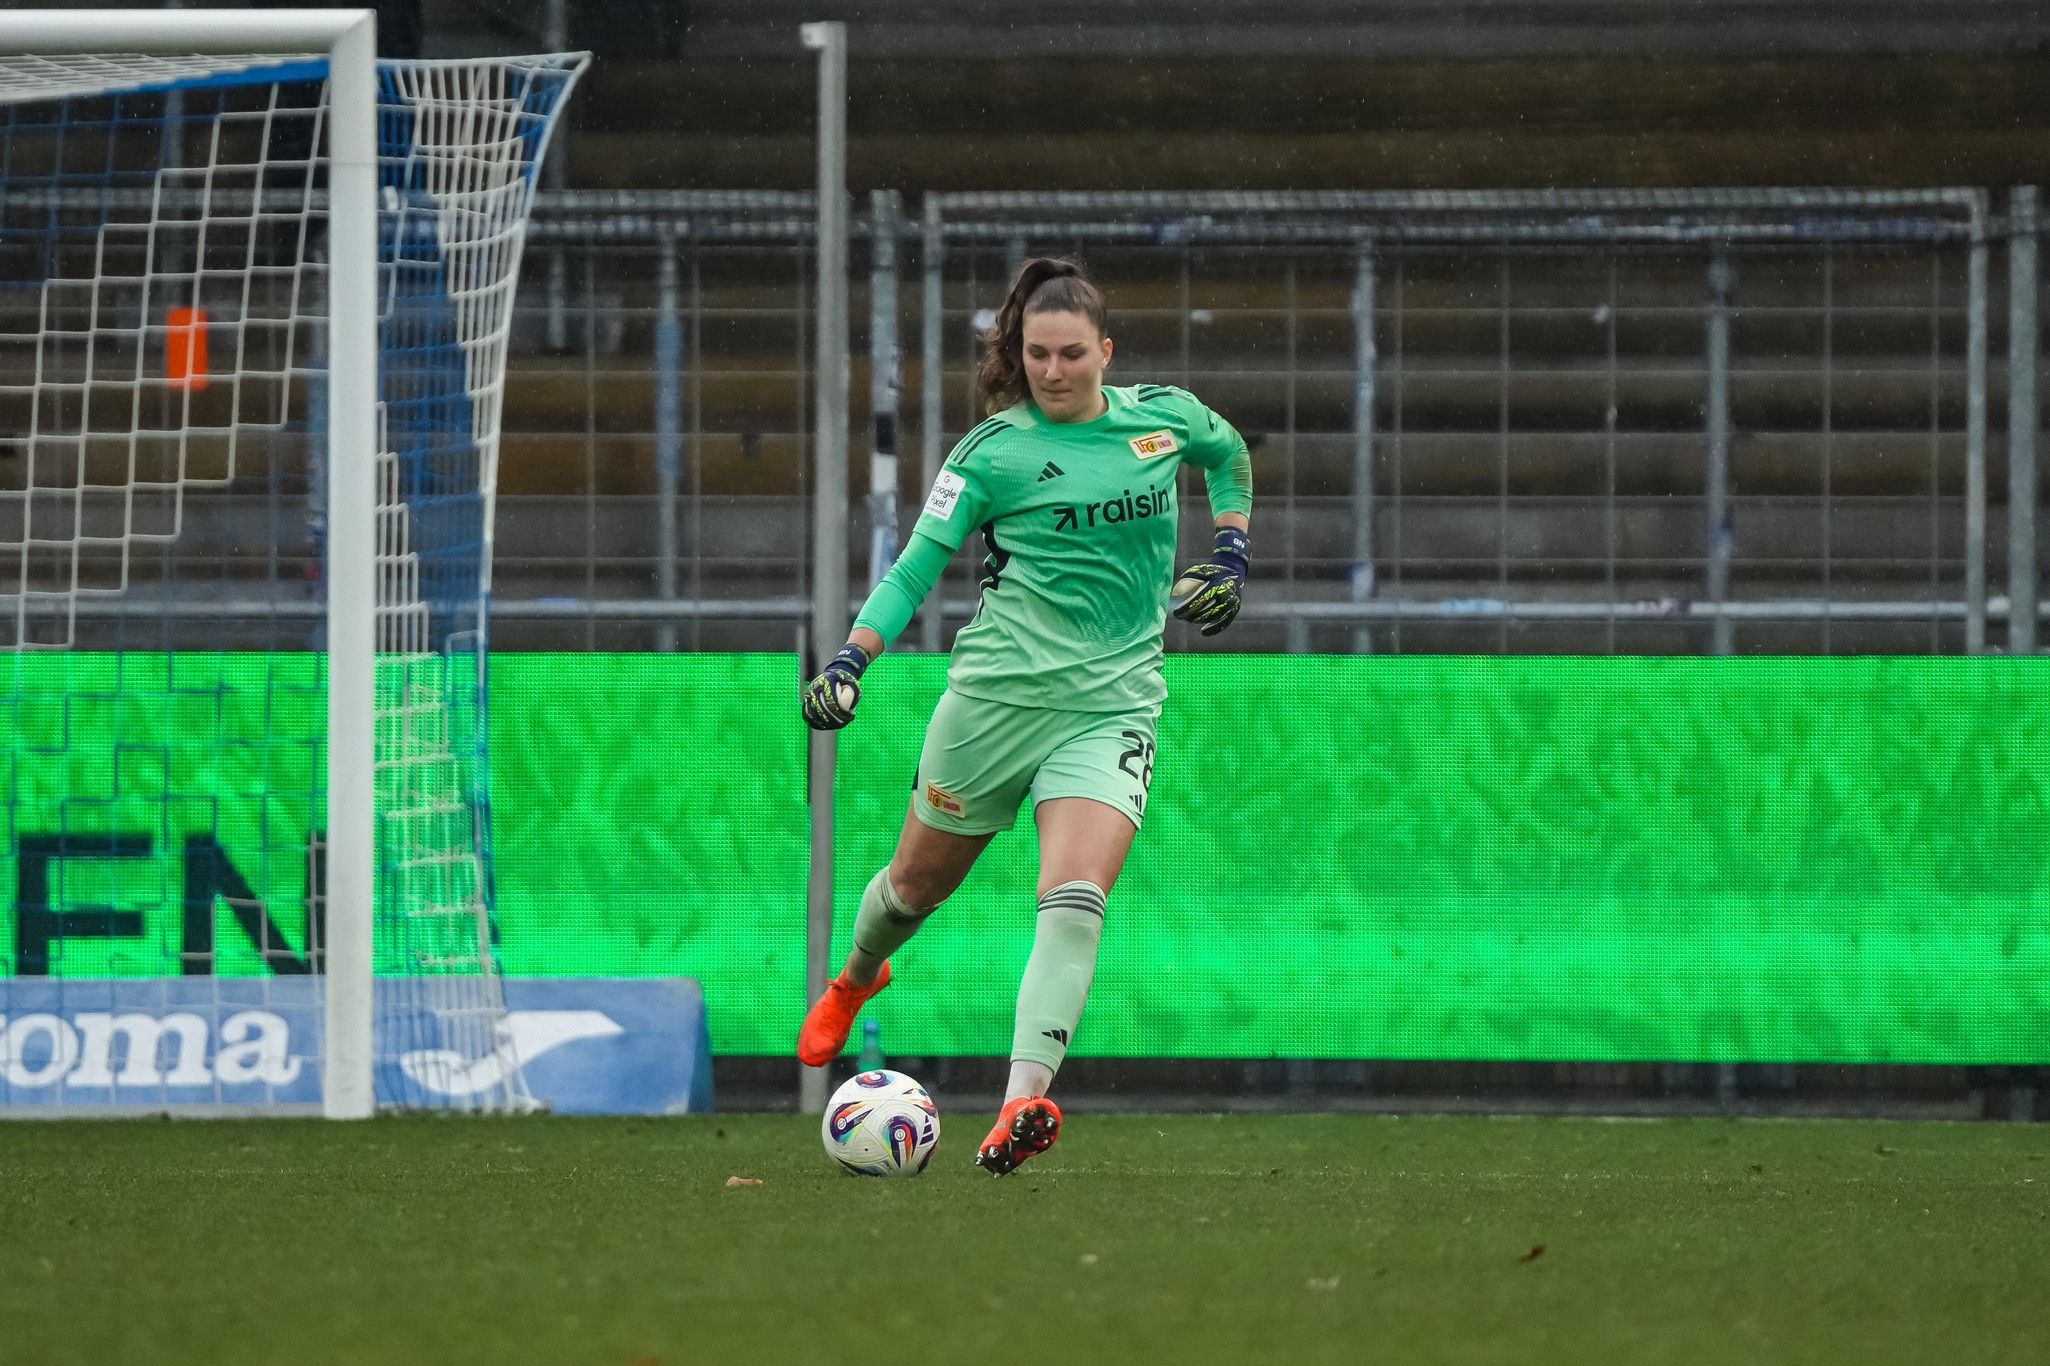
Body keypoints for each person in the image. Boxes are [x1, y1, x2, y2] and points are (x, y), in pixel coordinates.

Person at [796, 257, 1253, 1178]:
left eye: (1071, 354)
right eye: (1037, 354)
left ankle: (1021, 1102)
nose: (1052, 370)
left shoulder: (1162, 420)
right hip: (994, 703)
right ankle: (856, 976)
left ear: (1105, 352)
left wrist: (1233, 549)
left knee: (1076, 898)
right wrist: (850, 660)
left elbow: (1228, 451)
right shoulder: (990, 454)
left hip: (1112, 705)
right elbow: (914, 570)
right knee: (913, 890)